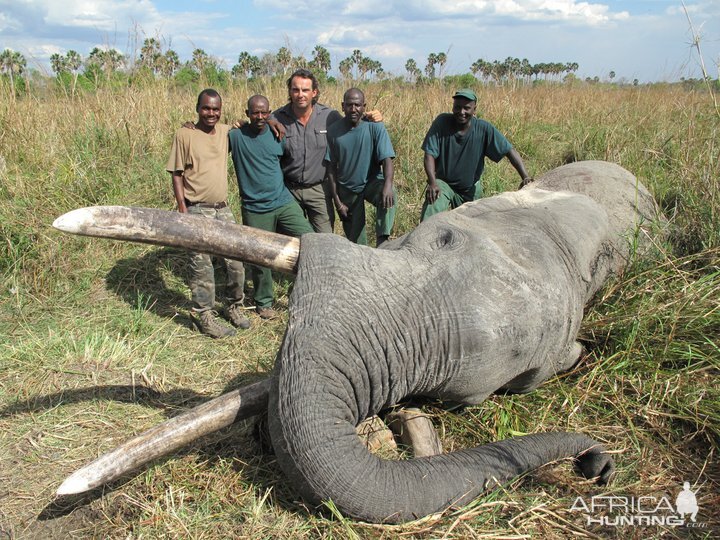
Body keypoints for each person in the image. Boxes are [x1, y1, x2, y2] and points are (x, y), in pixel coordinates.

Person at [167, 88, 250, 338]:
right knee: (201, 266)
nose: (210, 113)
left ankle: (233, 306)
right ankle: (205, 316)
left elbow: (247, 123)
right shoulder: (185, 135)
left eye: (215, 109)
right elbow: (176, 174)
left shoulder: (226, 132)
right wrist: (183, 208)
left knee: (235, 262)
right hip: (197, 209)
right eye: (206, 108)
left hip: (222, 209)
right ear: (197, 108)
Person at [229, 95, 314, 319]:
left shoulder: (278, 134)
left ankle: (306, 288)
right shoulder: (236, 136)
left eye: (264, 112)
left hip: (282, 201)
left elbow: (289, 160)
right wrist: (190, 127)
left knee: (310, 239)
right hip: (255, 207)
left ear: (270, 113)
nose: (260, 117)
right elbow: (209, 136)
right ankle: (263, 302)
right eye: (255, 112)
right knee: (260, 258)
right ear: (247, 113)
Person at [271, 69, 382, 234]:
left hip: (319, 190)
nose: (300, 94)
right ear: (290, 91)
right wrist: (242, 125)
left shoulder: (330, 116)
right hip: (289, 190)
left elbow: (353, 121)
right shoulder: (277, 118)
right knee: (292, 239)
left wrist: (373, 116)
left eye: (305, 90)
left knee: (326, 240)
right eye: (295, 89)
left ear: (314, 92)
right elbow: (257, 123)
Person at [420, 89, 533, 221]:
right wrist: (433, 183)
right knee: (432, 204)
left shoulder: (483, 129)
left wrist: (525, 177)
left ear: (474, 110)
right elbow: (429, 155)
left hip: (470, 187)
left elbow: (509, 150)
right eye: (457, 107)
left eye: (466, 108)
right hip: (444, 183)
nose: (461, 112)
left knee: (476, 223)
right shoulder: (442, 122)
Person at [325, 88, 396, 247]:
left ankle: (383, 239)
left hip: (371, 182)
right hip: (348, 188)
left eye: (357, 105)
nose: (353, 109)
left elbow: (387, 159)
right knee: (357, 243)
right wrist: (338, 202)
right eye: (349, 105)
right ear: (342, 106)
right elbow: (331, 169)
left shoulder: (375, 127)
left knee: (389, 193)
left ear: (364, 106)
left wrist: (388, 185)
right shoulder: (334, 131)